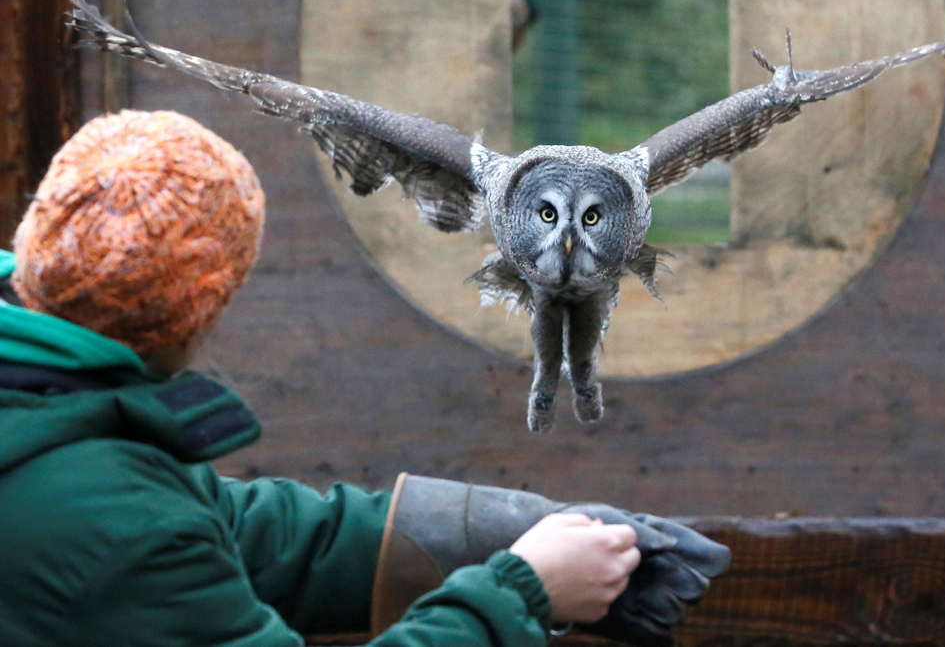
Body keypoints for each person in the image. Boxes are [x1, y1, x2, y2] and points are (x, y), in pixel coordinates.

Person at [0, 110, 728, 646]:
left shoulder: (45, 408)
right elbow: (153, 537)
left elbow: (228, 530)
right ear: (201, 307)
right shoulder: (109, 516)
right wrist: (522, 592)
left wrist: (496, 530)